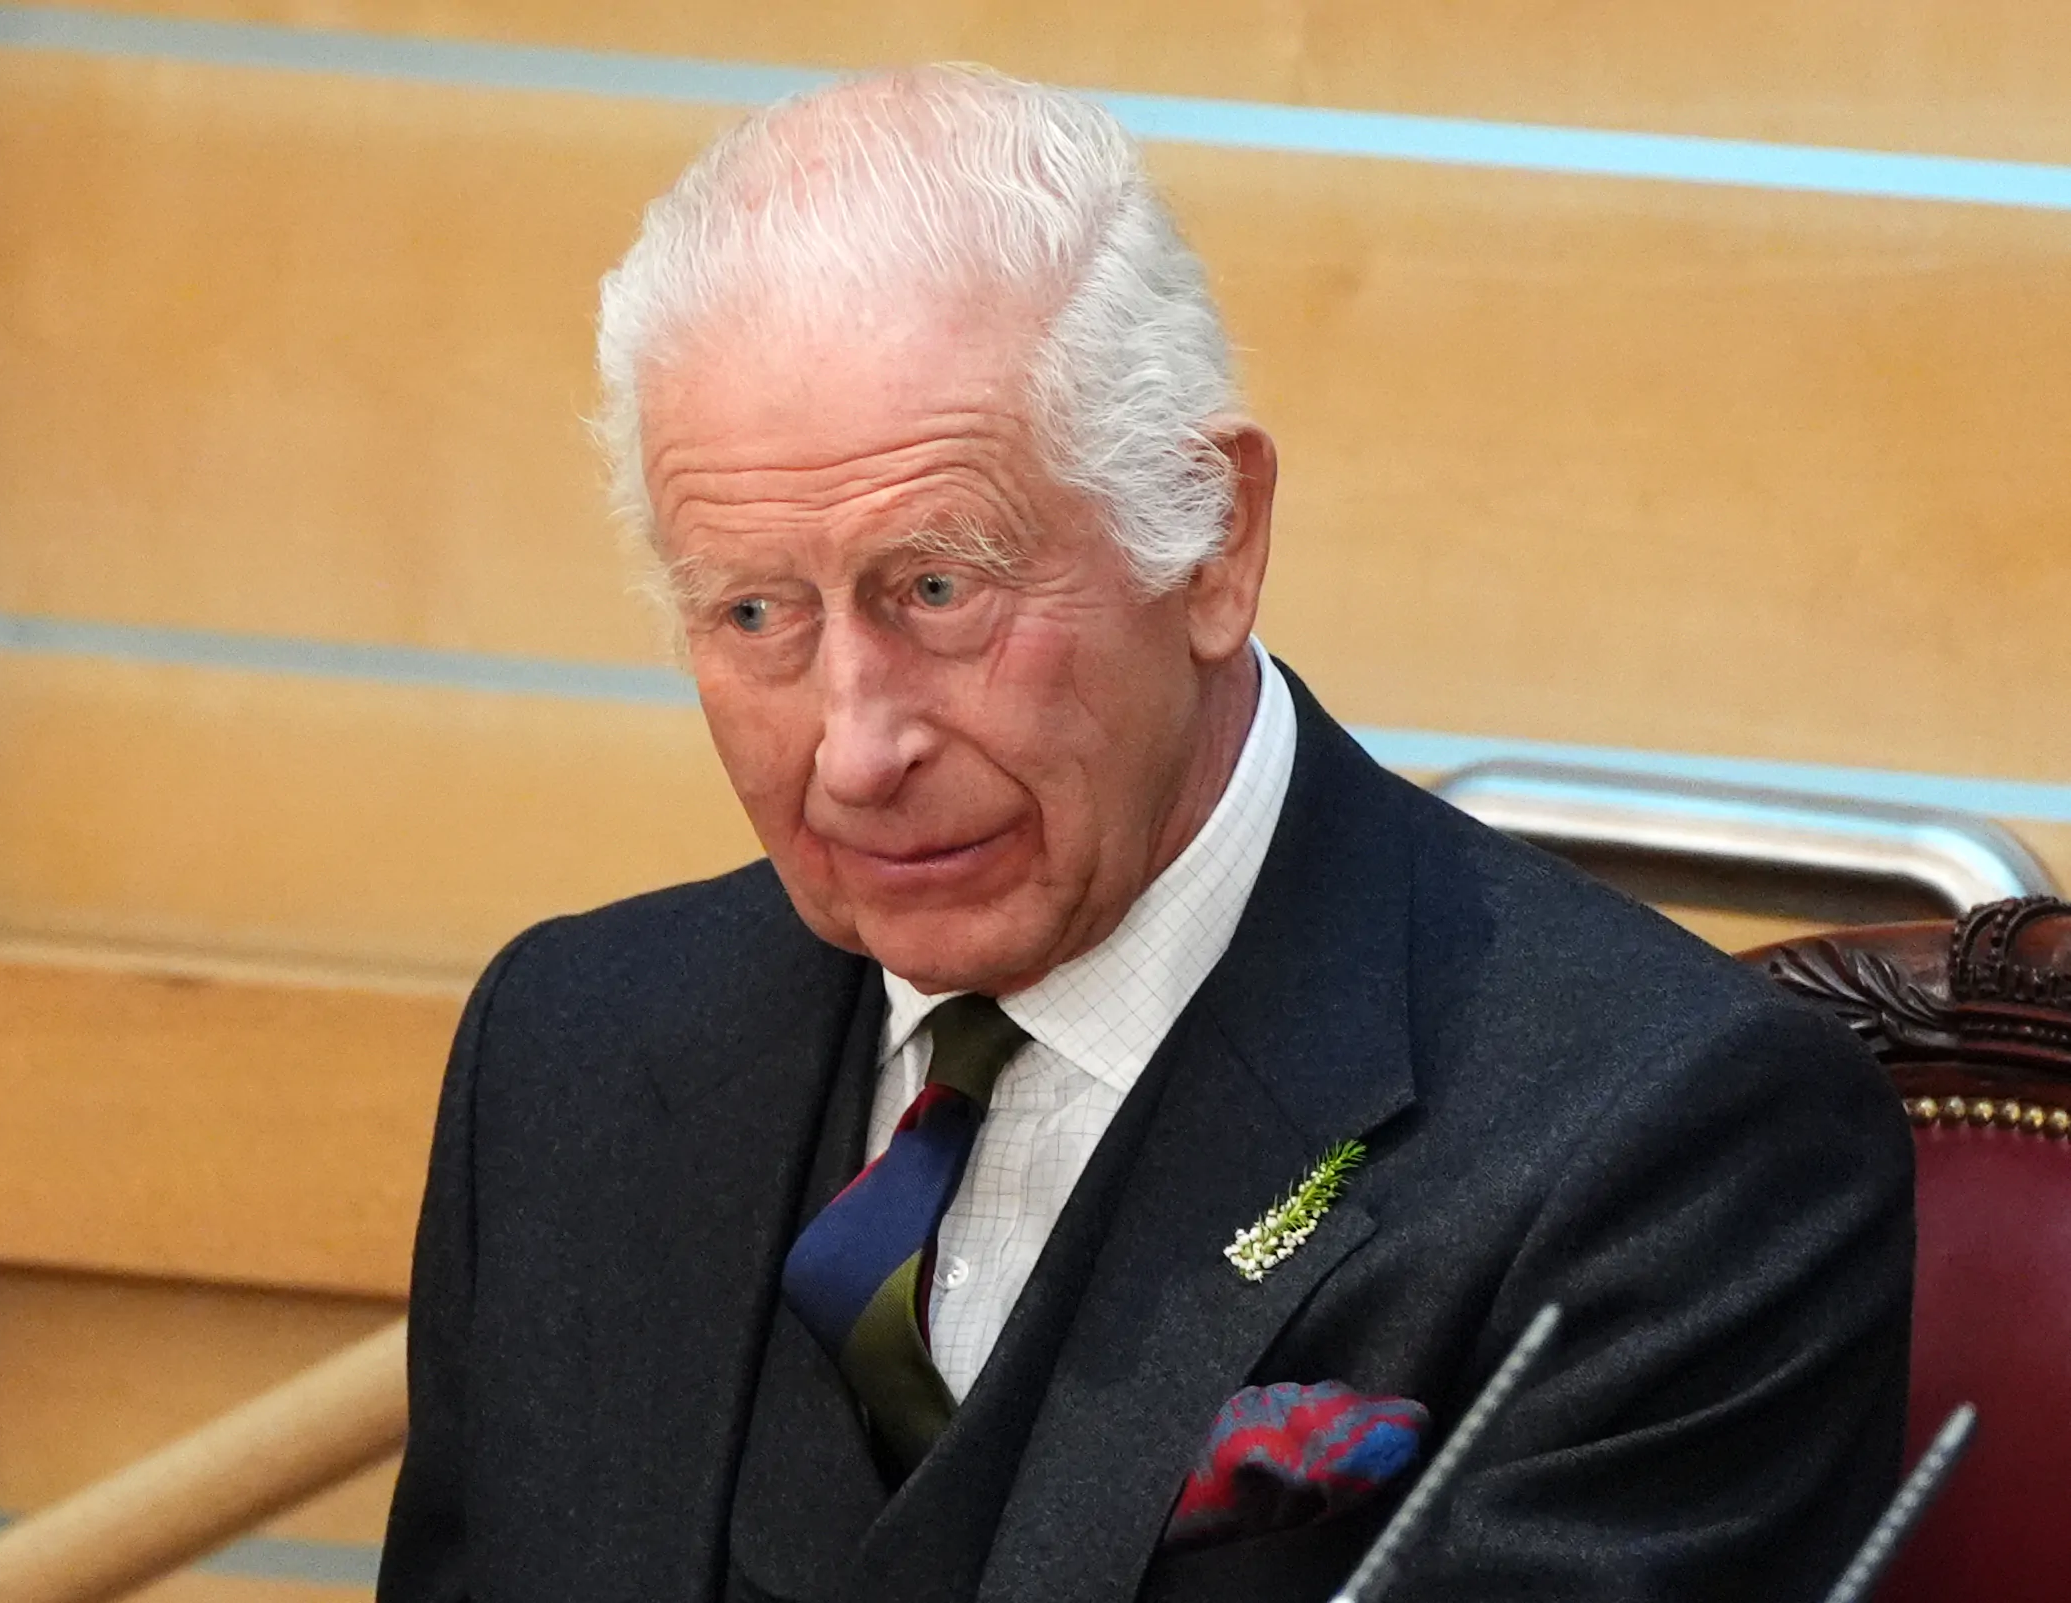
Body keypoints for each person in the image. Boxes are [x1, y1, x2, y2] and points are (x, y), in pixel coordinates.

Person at [377, 65, 1912, 1603]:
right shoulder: (566, 1051)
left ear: (1211, 538)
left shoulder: (1663, 1143)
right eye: (756, 612)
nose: (854, 746)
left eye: (937, 589)